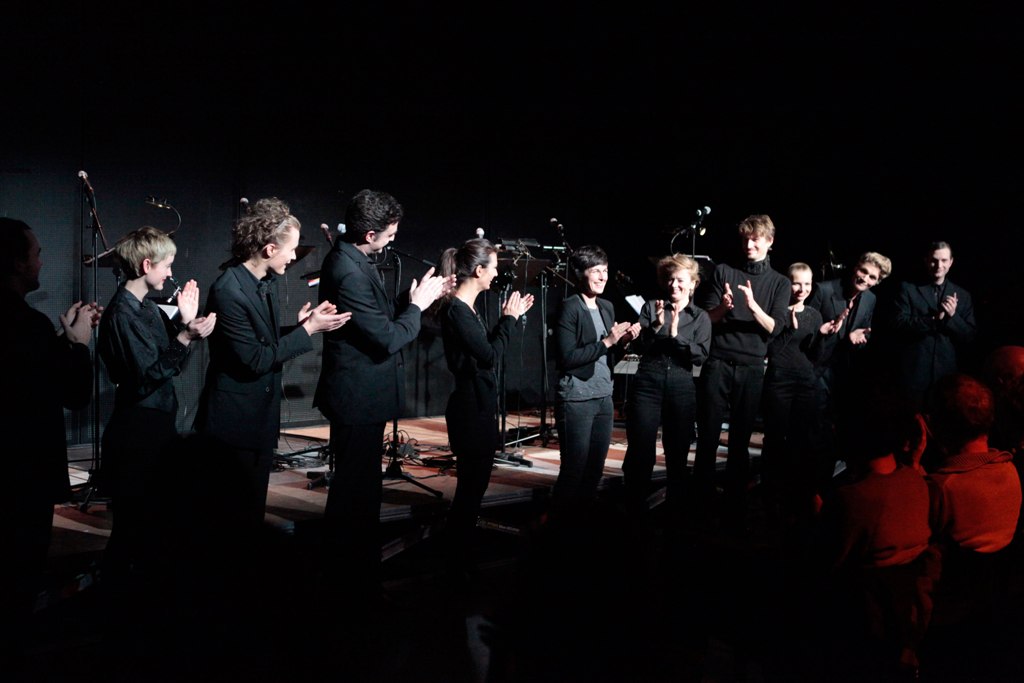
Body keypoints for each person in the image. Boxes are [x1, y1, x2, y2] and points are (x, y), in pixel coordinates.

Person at [313, 189, 451, 591]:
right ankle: (348, 577)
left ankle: (353, 570)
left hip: (361, 397)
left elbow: (372, 318)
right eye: (389, 233)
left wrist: (408, 299)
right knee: (353, 494)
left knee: (360, 489)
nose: (393, 239)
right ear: (370, 234)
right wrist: (418, 307)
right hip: (357, 397)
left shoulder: (353, 259)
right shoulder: (349, 269)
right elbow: (387, 339)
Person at [196, 198, 349, 527]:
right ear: (268, 249)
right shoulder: (229, 290)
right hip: (233, 425)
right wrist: (308, 330)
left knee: (249, 515)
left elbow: (258, 340)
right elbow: (254, 358)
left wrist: (297, 327)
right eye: (291, 249)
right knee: (231, 520)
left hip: (256, 421)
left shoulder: (260, 283)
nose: (295, 257)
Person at [97, 226, 216, 602]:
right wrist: (185, 336)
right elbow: (147, 377)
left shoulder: (146, 307)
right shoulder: (122, 315)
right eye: (166, 265)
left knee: (150, 525)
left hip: (153, 427)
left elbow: (168, 361)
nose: (169, 273)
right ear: (147, 264)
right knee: (133, 528)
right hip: (137, 433)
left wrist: (186, 323)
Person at [1, 217, 96, 668]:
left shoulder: (31, 330)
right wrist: (77, 345)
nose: (42, 259)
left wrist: (58, 342)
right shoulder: (26, 324)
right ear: (18, 263)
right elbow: (73, 394)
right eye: (36, 252)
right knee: (17, 583)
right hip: (21, 478)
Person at [438, 238, 533, 569]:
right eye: (493, 267)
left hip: (476, 405)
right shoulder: (456, 311)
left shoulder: (466, 309)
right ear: (479, 270)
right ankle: (455, 559)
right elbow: (490, 355)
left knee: (474, 487)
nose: (496, 274)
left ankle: (459, 554)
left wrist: (507, 320)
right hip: (469, 409)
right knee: (470, 490)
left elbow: (483, 351)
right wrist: (508, 319)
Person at [694, 215, 790, 527]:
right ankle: (702, 498)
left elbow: (775, 327)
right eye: (746, 239)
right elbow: (705, 320)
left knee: (740, 438)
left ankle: (735, 502)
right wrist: (723, 307)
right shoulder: (724, 271)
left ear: (770, 241)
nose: (750, 244)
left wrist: (753, 307)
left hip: (751, 368)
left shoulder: (780, 282)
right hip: (718, 363)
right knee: (707, 433)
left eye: (757, 239)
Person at [552, 245, 638, 520]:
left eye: (605, 271)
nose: (602, 277)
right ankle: (559, 528)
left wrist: (623, 341)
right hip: (576, 397)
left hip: (603, 395)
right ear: (580, 274)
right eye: (596, 271)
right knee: (574, 469)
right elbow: (567, 357)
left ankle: (582, 526)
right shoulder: (569, 307)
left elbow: (606, 352)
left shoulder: (607, 306)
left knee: (595, 468)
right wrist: (608, 341)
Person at [622, 253, 710, 514]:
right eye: (670, 280)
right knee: (640, 450)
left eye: (681, 280)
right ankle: (634, 509)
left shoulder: (700, 317)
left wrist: (676, 337)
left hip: (682, 387)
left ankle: (676, 513)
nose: (674, 285)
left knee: (677, 452)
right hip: (648, 383)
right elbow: (640, 346)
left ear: (693, 284)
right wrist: (658, 327)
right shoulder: (651, 307)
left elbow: (700, 354)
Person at [761, 262, 826, 525]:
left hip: (805, 380)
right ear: (787, 283)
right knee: (775, 438)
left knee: (802, 439)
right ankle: (770, 495)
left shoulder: (813, 314)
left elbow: (815, 353)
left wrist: (824, 336)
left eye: (808, 284)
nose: (802, 289)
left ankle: (797, 496)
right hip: (778, 379)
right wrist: (788, 327)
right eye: (797, 283)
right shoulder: (775, 312)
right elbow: (772, 350)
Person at [891, 241, 977, 410]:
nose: (939, 265)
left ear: (951, 262)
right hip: (913, 375)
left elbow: (970, 337)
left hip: (947, 376)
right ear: (926, 261)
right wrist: (934, 320)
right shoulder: (908, 289)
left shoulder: (963, 296)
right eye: (934, 260)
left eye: (944, 260)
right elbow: (898, 325)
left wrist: (952, 317)